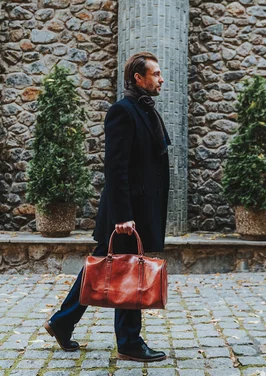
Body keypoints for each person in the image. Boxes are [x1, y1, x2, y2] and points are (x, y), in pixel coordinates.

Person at [43, 52, 171, 362]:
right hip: (129, 213)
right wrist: (123, 215)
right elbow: (116, 168)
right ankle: (128, 342)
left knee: (102, 266)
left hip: (140, 208)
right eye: (155, 74)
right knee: (128, 270)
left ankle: (62, 322)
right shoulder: (122, 112)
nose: (160, 79)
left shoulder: (146, 110)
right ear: (138, 78)